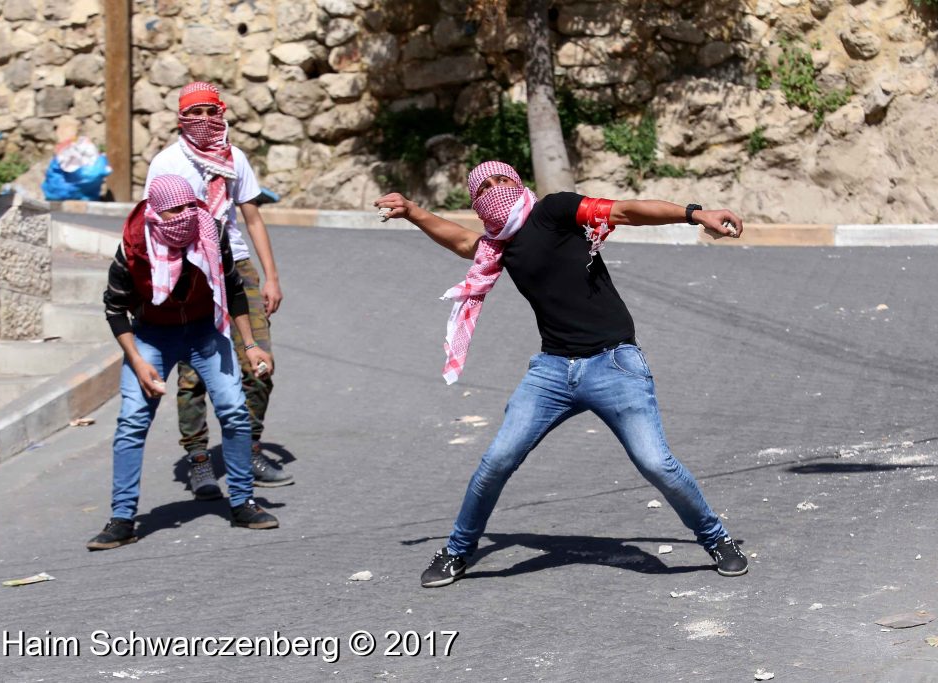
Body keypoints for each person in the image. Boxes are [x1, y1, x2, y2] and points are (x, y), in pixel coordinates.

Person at [374, 161, 749, 587]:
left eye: (503, 180)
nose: (496, 190)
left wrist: (695, 214)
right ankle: (458, 551)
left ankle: (717, 539)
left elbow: (625, 210)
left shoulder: (554, 210)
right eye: (484, 188)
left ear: (520, 185)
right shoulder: (499, 245)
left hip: (614, 364)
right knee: (496, 461)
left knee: (655, 463)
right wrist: (411, 211)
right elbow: (462, 241)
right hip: (552, 372)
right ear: (476, 203)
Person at [88, 174, 279, 551]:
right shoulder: (134, 246)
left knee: (234, 410)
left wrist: (251, 345)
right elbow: (114, 310)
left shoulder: (209, 231)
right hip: (151, 336)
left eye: (189, 207)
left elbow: (234, 291)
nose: (182, 217)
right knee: (132, 421)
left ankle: (242, 502)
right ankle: (122, 518)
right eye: (173, 211)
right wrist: (138, 362)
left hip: (204, 331)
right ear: (156, 213)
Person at [145, 81, 292, 498]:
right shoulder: (166, 163)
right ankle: (197, 460)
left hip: (236, 265)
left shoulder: (234, 158)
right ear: (181, 117)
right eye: (196, 112)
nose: (206, 120)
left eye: (213, 111)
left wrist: (270, 277)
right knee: (193, 373)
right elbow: (152, 224)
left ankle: (250, 448)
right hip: (190, 270)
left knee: (260, 364)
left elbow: (253, 217)